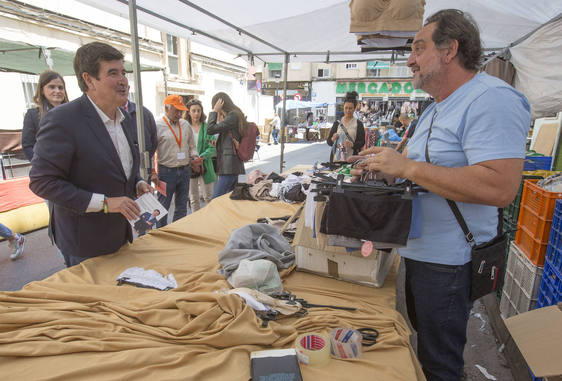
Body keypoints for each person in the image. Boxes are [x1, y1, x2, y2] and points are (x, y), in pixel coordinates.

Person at [357, 10, 530, 381]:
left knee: (440, 366)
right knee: (427, 354)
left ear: (450, 49)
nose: (409, 59)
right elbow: (426, 174)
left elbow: (500, 187)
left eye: (419, 48)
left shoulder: (491, 99)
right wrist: (387, 171)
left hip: (450, 263)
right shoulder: (436, 108)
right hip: (421, 255)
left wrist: (407, 168)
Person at [29, 42, 152, 267]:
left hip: (121, 235)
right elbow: (42, 182)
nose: (123, 80)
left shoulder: (122, 119)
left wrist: (138, 182)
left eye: (123, 72)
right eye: (112, 73)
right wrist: (105, 204)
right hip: (84, 243)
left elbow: (117, 167)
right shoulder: (62, 120)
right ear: (88, 80)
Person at [154, 95, 198, 227]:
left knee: (182, 206)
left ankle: (177, 231)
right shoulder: (157, 126)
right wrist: (152, 172)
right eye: (176, 111)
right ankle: (161, 235)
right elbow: (151, 151)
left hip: (184, 170)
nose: (179, 114)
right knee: (162, 207)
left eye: (181, 111)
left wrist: (195, 157)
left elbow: (192, 145)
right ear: (166, 108)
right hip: (166, 172)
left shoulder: (185, 125)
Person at [21, 70, 69, 162]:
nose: (57, 91)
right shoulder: (33, 115)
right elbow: (27, 145)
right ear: (42, 90)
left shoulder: (73, 113)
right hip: (47, 169)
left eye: (60, 88)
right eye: (52, 87)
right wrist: (40, 164)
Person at [207, 92, 246, 199]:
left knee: (216, 199)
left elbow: (210, 129)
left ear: (220, 103)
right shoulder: (233, 115)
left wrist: (215, 111)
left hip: (229, 166)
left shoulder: (233, 115)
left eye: (215, 105)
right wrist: (218, 143)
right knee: (229, 200)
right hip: (231, 165)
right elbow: (229, 137)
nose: (215, 108)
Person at [185, 99, 216, 212]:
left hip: (205, 164)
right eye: (193, 111)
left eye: (198, 110)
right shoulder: (185, 126)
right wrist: (191, 160)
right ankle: (196, 222)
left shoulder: (207, 127)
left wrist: (200, 158)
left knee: (208, 196)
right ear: (188, 112)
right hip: (190, 165)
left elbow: (212, 148)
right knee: (193, 197)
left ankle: (209, 222)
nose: (196, 113)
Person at [122, 93, 158, 182]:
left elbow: (153, 141)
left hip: (143, 170)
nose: (121, 90)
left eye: (124, 86)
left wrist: (143, 159)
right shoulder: (108, 113)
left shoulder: (144, 113)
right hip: (121, 172)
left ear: (128, 88)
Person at [326, 91, 365, 161]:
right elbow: (329, 142)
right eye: (346, 108)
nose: (348, 110)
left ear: (354, 108)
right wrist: (333, 139)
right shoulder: (337, 123)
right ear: (343, 108)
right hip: (336, 159)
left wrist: (352, 144)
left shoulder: (358, 124)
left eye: (350, 108)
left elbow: (362, 142)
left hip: (351, 159)